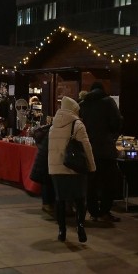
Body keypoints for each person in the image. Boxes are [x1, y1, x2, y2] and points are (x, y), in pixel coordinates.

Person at [48, 96, 96, 243]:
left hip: (56, 169)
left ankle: (62, 231)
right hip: (75, 168)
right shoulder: (77, 124)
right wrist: (91, 166)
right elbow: (86, 147)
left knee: (60, 200)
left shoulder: (53, 126)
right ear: (74, 109)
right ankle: (80, 226)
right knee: (80, 199)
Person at [79, 82, 123, 222]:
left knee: (91, 183)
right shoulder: (108, 102)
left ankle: (93, 212)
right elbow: (116, 122)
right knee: (108, 182)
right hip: (105, 150)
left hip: (88, 148)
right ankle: (104, 211)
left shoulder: (83, 104)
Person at [29, 118, 54, 215]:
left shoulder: (47, 130)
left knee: (46, 182)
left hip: (45, 159)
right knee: (47, 181)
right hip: (47, 159)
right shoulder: (54, 130)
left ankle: (47, 204)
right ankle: (47, 204)